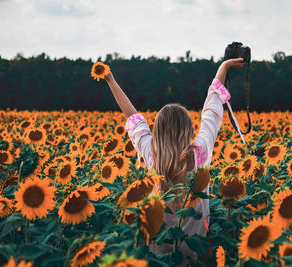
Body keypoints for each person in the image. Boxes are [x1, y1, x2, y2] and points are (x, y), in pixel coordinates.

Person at [104, 57, 245, 265]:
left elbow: (132, 116)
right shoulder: (200, 154)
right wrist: (222, 68)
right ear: (188, 130)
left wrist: (110, 81)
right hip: (195, 248)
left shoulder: (152, 156)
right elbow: (211, 111)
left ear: (158, 131)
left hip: (158, 250)